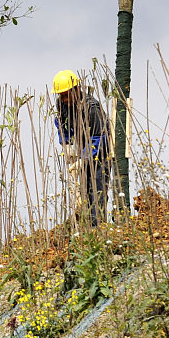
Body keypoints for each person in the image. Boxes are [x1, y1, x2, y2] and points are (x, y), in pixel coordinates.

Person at [51, 69, 111, 226]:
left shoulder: (92, 108)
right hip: (83, 148)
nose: (64, 99)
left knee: (97, 192)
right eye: (61, 95)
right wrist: (66, 144)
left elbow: (99, 137)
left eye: (67, 94)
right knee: (83, 192)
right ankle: (85, 228)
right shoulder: (61, 104)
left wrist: (84, 159)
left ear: (77, 89)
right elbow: (60, 122)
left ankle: (97, 229)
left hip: (101, 155)